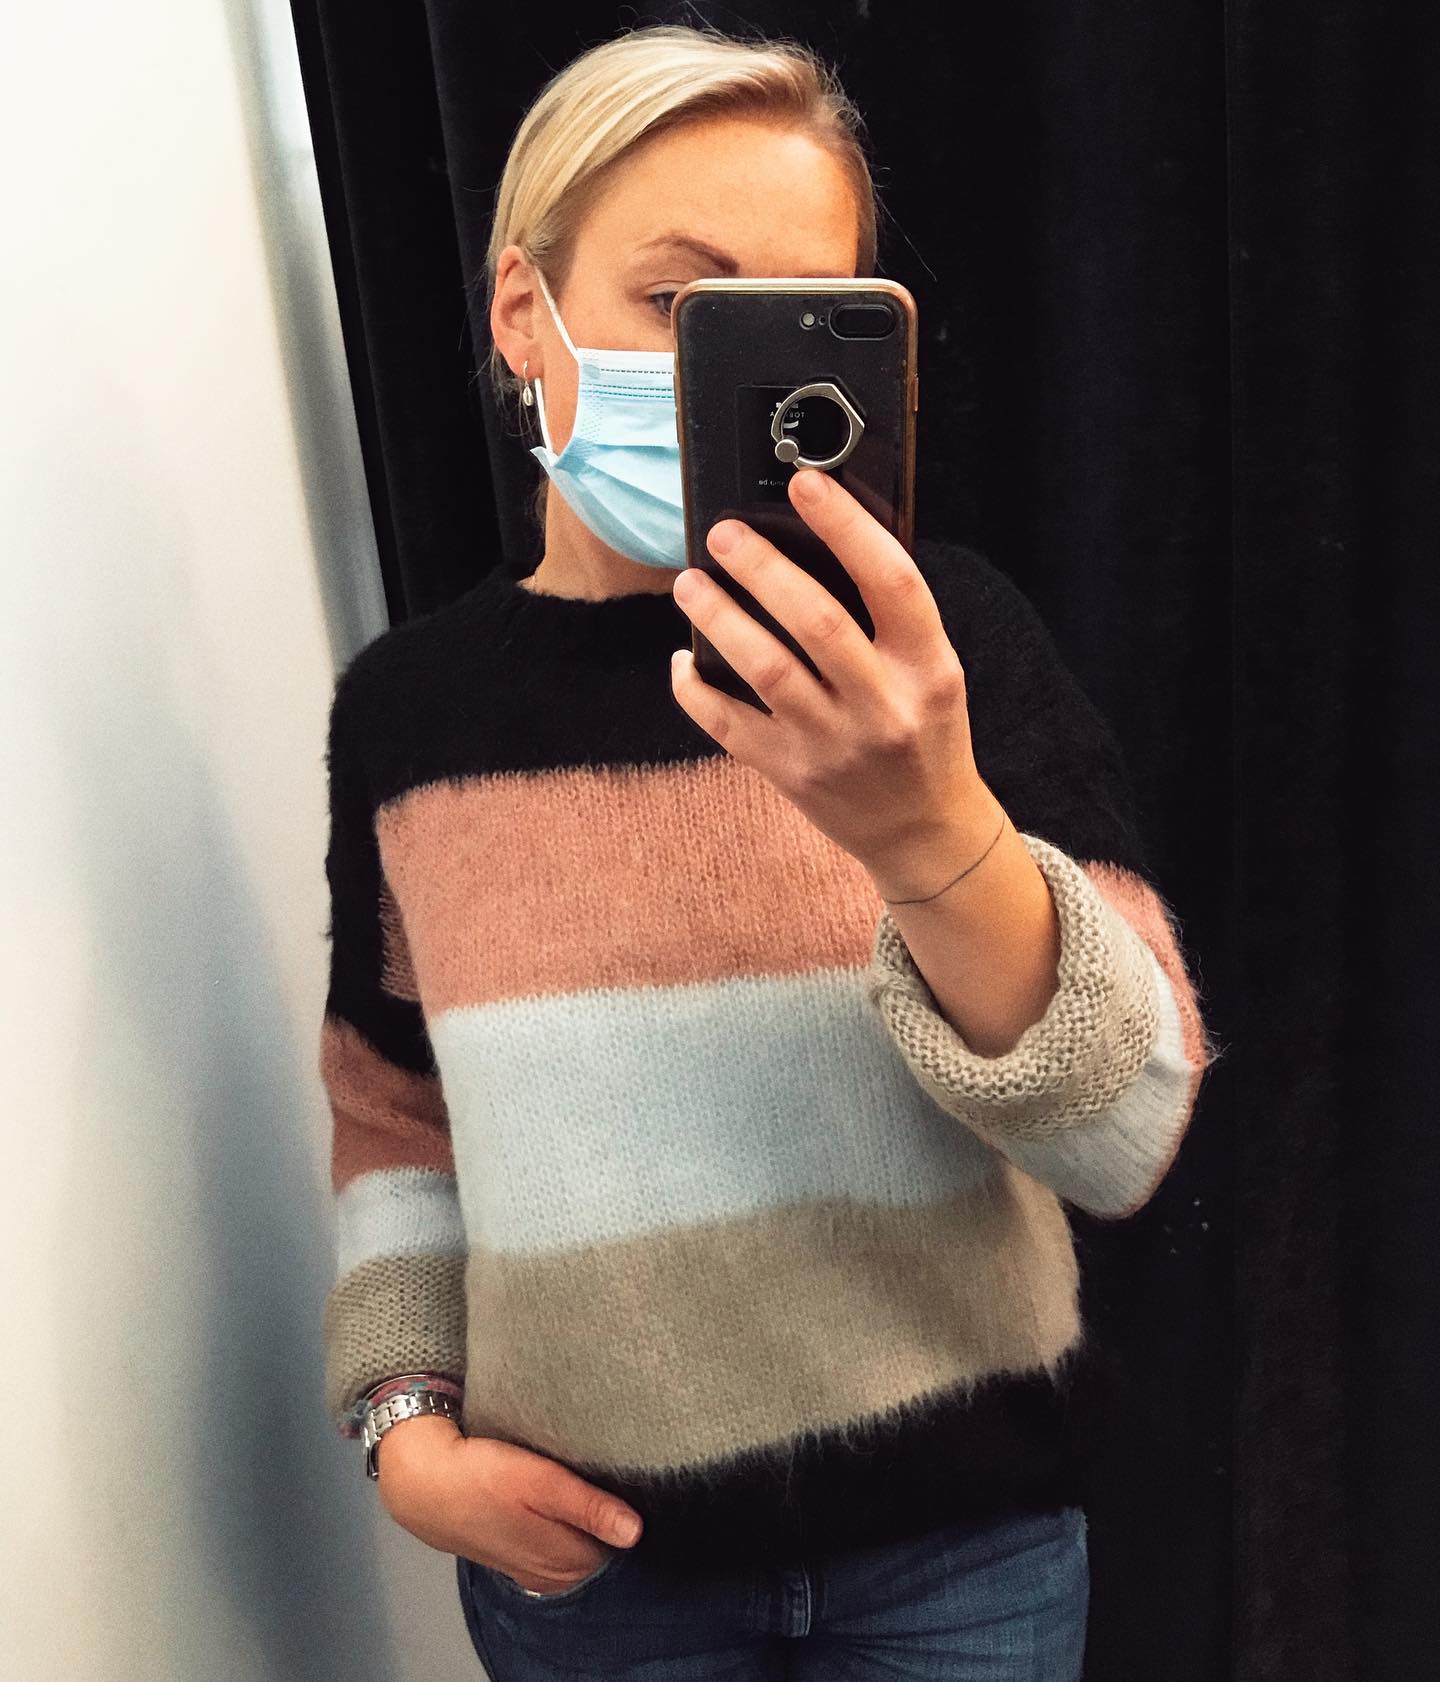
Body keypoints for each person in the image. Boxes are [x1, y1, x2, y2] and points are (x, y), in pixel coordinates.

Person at [316, 23, 1219, 1682]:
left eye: (798, 316)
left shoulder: (948, 654)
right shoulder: (409, 716)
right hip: (596, 1577)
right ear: (523, 308)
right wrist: (405, 1424)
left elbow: (1130, 1133)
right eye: (680, 299)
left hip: (965, 1555)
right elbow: (393, 1109)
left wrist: (930, 830)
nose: (718, 369)